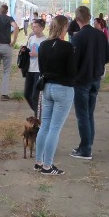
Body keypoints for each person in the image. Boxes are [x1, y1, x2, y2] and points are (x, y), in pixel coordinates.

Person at [34, 15, 76, 175]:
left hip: (47, 88)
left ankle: (38, 161)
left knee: (44, 125)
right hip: (63, 89)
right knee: (55, 128)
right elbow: (72, 72)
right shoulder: (68, 47)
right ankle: (48, 166)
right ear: (64, 28)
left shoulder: (43, 45)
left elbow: (41, 68)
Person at [70, 5, 109, 160]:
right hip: (96, 79)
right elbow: (108, 57)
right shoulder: (100, 35)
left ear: (77, 19)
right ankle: (87, 144)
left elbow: (73, 62)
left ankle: (85, 149)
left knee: (82, 115)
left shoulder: (78, 37)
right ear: (89, 17)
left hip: (81, 81)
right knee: (89, 114)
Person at [23, 19, 47, 113]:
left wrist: (37, 54)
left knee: (35, 96)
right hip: (30, 69)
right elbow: (28, 49)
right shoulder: (31, 38)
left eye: (36, 27)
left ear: (42, 28)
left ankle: (38, 117)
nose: (34, 28)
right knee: (27, 94)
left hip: (38, 70)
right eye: (33, 26)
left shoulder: (45, 41)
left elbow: (47, 56)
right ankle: (38, 114)